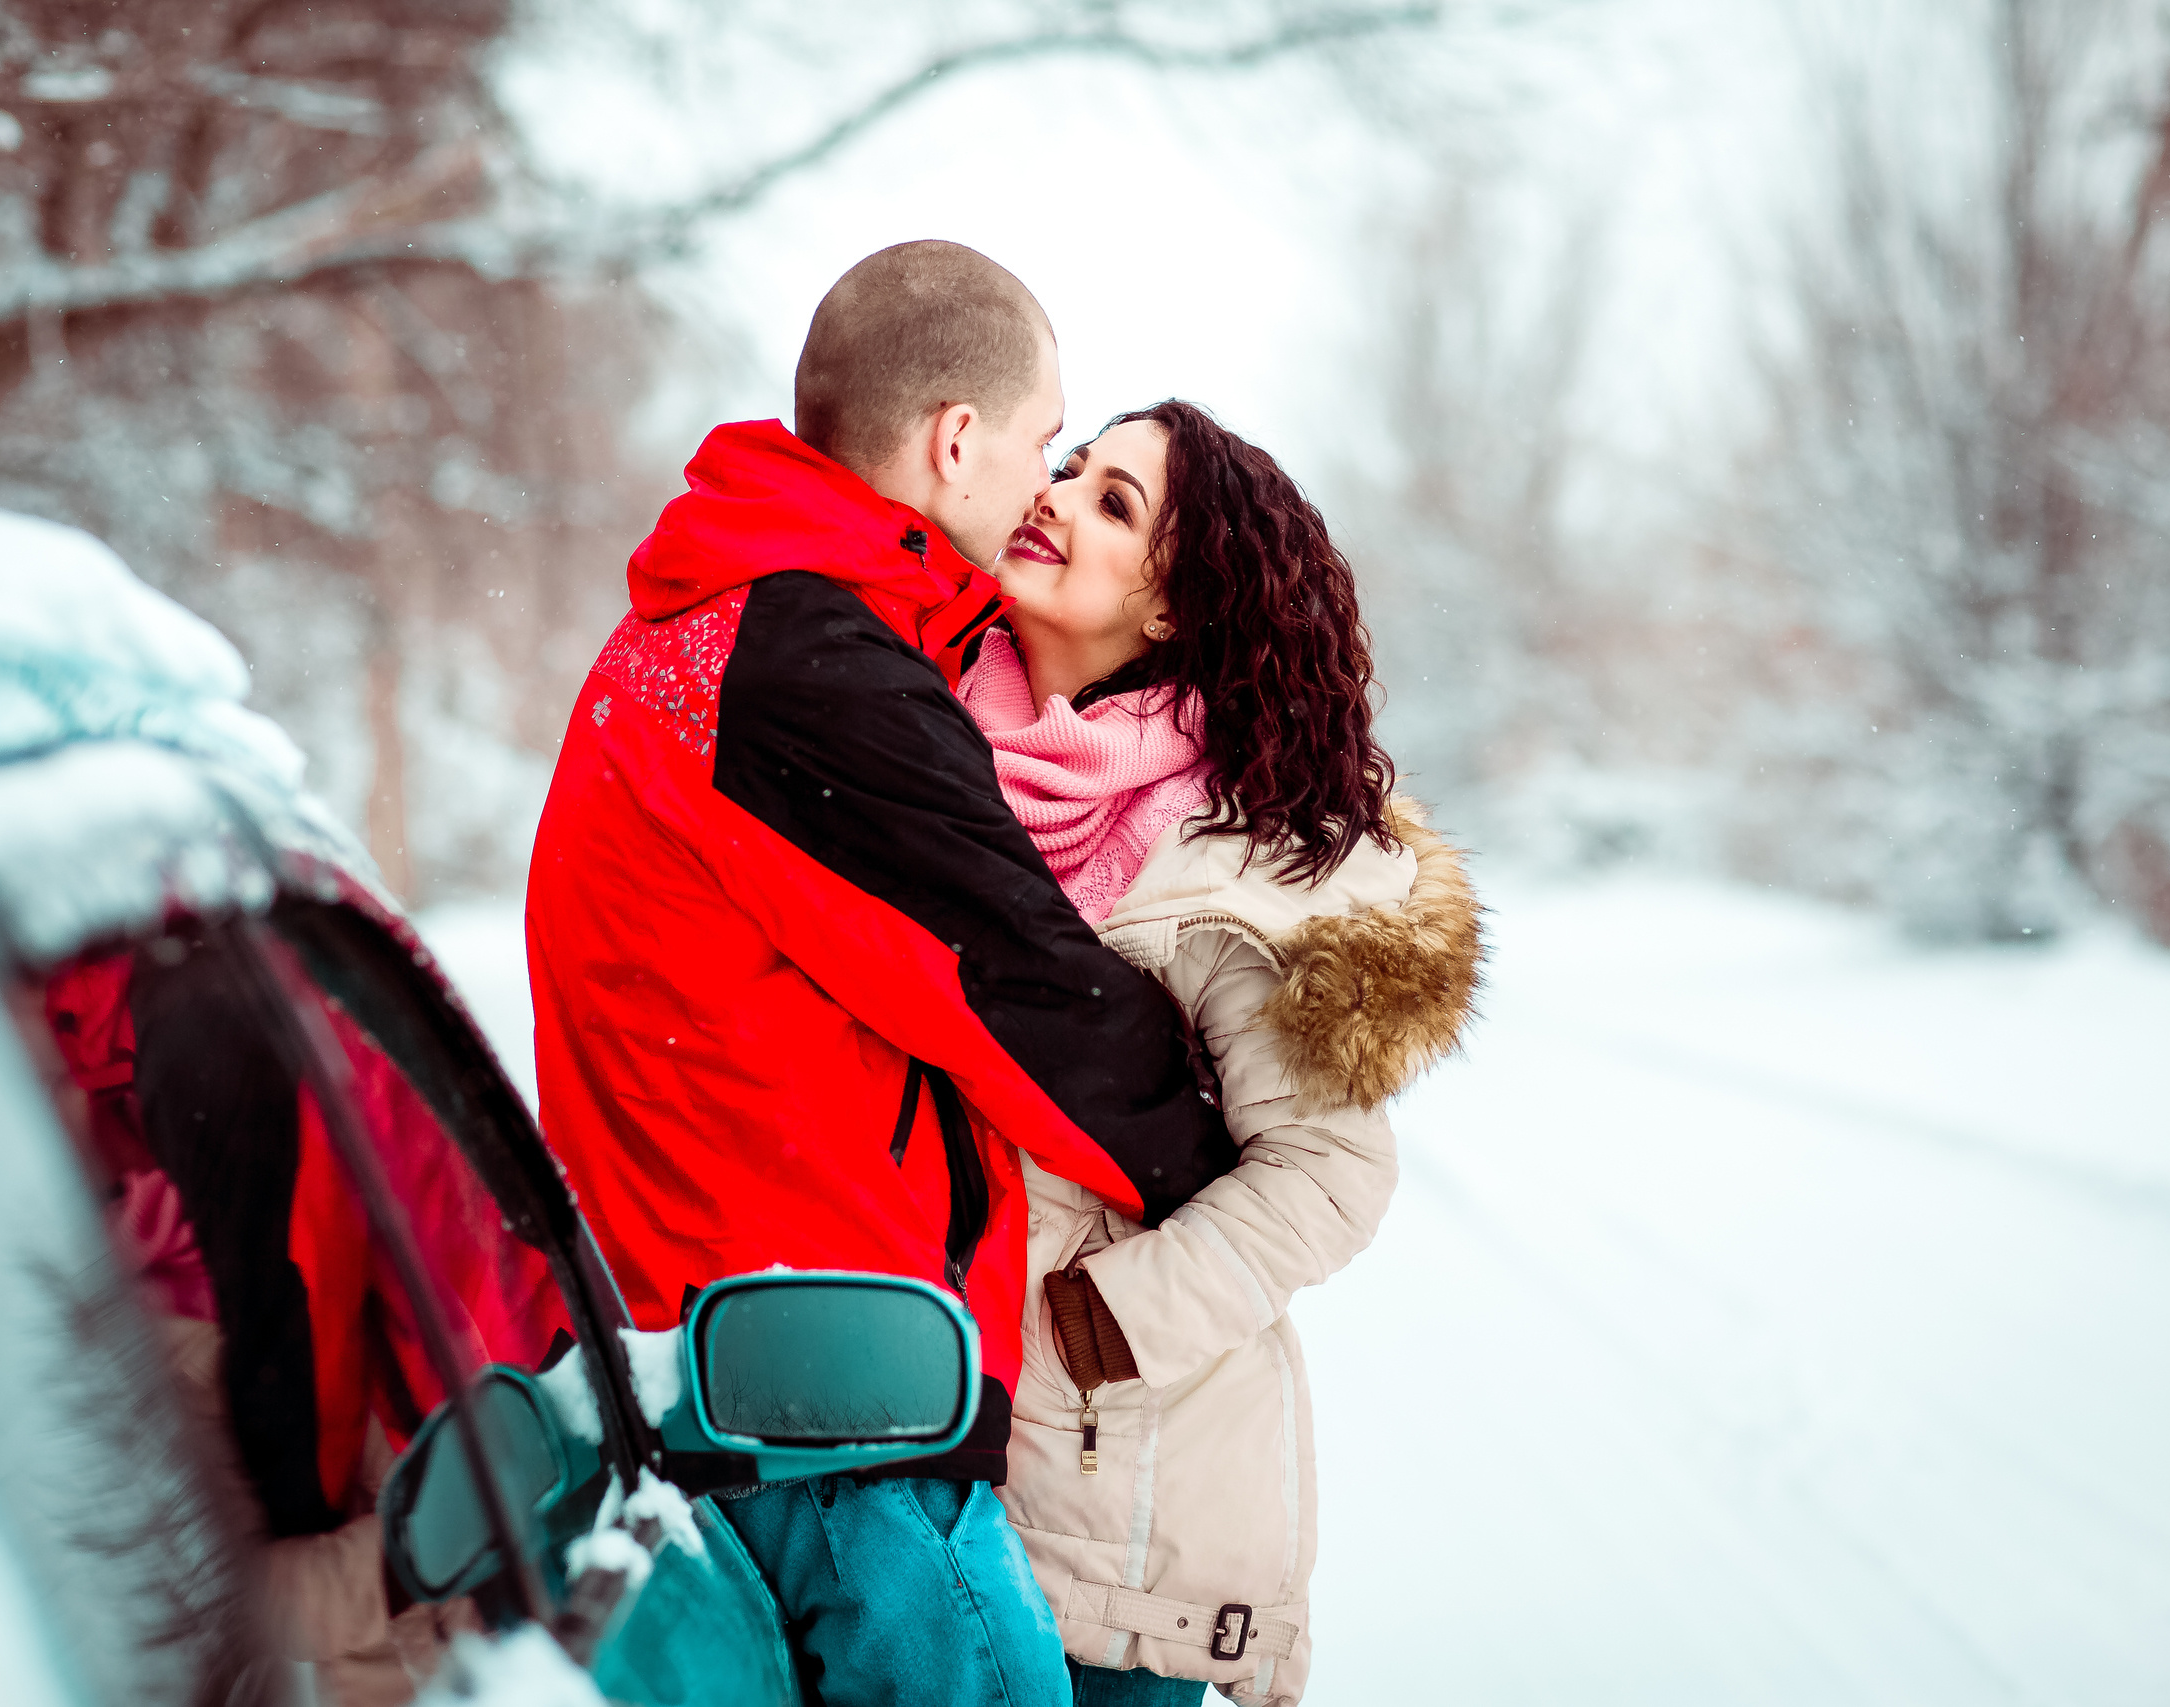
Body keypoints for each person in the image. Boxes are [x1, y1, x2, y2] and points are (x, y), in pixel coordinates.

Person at [524, 246, 1235, 1705]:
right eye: (1046, 444)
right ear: (955, 440)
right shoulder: (799, 665)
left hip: (754, 1374)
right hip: (830, 1424)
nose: (1043, 485)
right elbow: (1014, 988)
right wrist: (1229, 1171)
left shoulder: (719, 624)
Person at [961, 401, 1483, 1707]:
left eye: (1116, 504)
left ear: (1176, 613)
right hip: (944, 1463)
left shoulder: (1229, 860)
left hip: (1117, 1504)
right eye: (1074, 468)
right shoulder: (937, 759)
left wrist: (1096, 1323)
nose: (1061, 496)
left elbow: (1327, 1174)